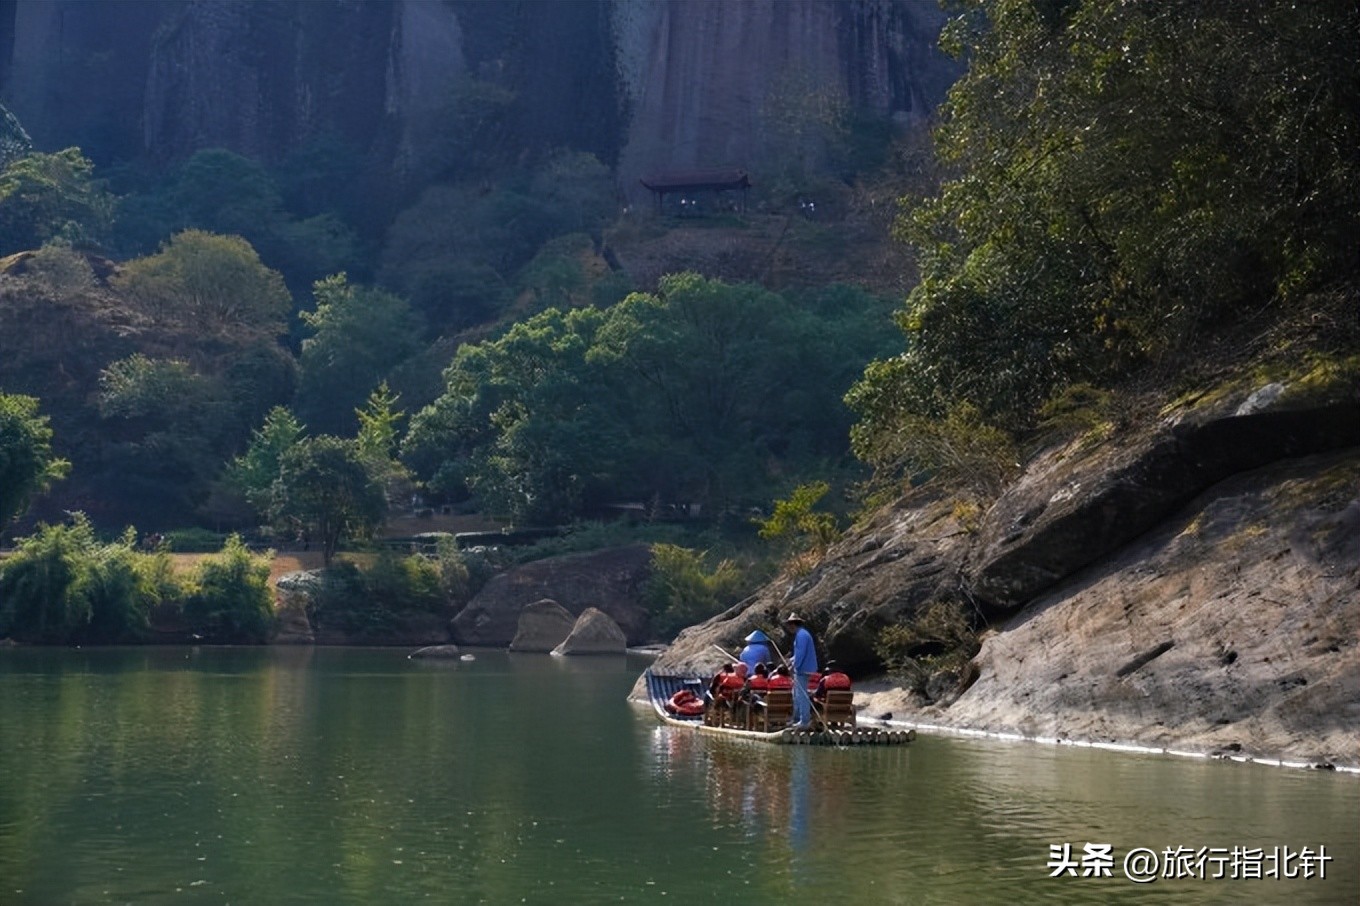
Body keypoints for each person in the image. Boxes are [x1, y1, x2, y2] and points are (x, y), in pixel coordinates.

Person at [784, 613, 819, 728]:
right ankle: (797, 718)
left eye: (789, 625)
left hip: (803, 669)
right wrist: (791, 660)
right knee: (796, 694)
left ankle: (804, 721)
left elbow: (800, 654)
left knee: (801, 694)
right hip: (803, 668)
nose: (788, 628)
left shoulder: (801, 636)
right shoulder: (803, 634)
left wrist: (793, 666)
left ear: (793, 624)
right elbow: (797, 654)